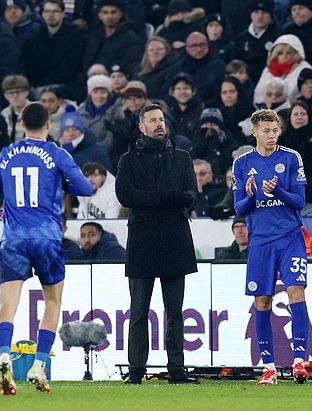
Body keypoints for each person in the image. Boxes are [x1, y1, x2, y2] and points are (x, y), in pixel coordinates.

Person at [0, 102, 93, 394]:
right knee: (53, 302)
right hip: (47, 237)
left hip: (13, 238)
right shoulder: (57, 153)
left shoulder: (6, 154)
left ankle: (5, 353)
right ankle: (39, 364)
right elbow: (85, 188)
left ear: (22, 124)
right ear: (49, 125)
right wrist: (61, 181)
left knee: (7, 304)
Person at [115, 104, 199, 385]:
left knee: (175, 312)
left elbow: (192, 194)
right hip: (143, 241)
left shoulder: (182, 157)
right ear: (141, 126)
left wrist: (171, 198)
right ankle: (136, 370)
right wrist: (166, 198)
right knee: (138, 310)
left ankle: (177, 369)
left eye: (161, 119)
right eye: (152, 120)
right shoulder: (128, 160)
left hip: (175, 240)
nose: (159, 124)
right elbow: (125, 195)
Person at [232, 108, 310, 385]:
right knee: (262, 301)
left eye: (275, 130)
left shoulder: (291, 158)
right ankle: (269, 367)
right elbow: (239, 207)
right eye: (266, 131)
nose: (272, 135)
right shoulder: (242, 164)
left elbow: (300, 201)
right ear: (254, 132)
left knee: (296, 292)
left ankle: (300, 361)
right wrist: (252, 195)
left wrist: (276, 191)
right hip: (260, 241)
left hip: (290, 237)